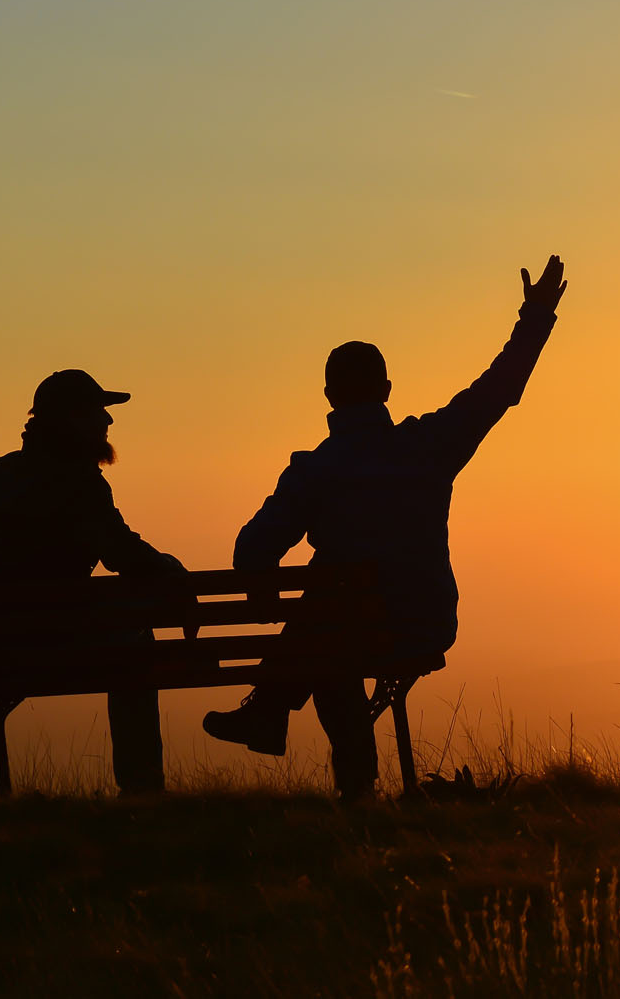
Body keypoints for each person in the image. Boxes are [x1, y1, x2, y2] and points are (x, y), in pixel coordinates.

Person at [202, 255, 567, 796]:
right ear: (388, 390)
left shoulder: (312, 470)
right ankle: (299, 738)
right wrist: (534, 316)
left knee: (330, 630)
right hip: (424, 623)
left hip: (341, 631)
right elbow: (498, 391)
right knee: (333, 631)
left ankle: (318, 753)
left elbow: (252, 553)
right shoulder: (428, 446)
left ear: (328, 396)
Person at [0, 369, 194, 795]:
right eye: (97, 412)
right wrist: (173, 570)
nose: (108, 422)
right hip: (45, 642)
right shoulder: (77, 482)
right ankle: (143, 790)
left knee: (128, 638)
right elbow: (123, 554)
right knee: (136, 653)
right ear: (70, 419)